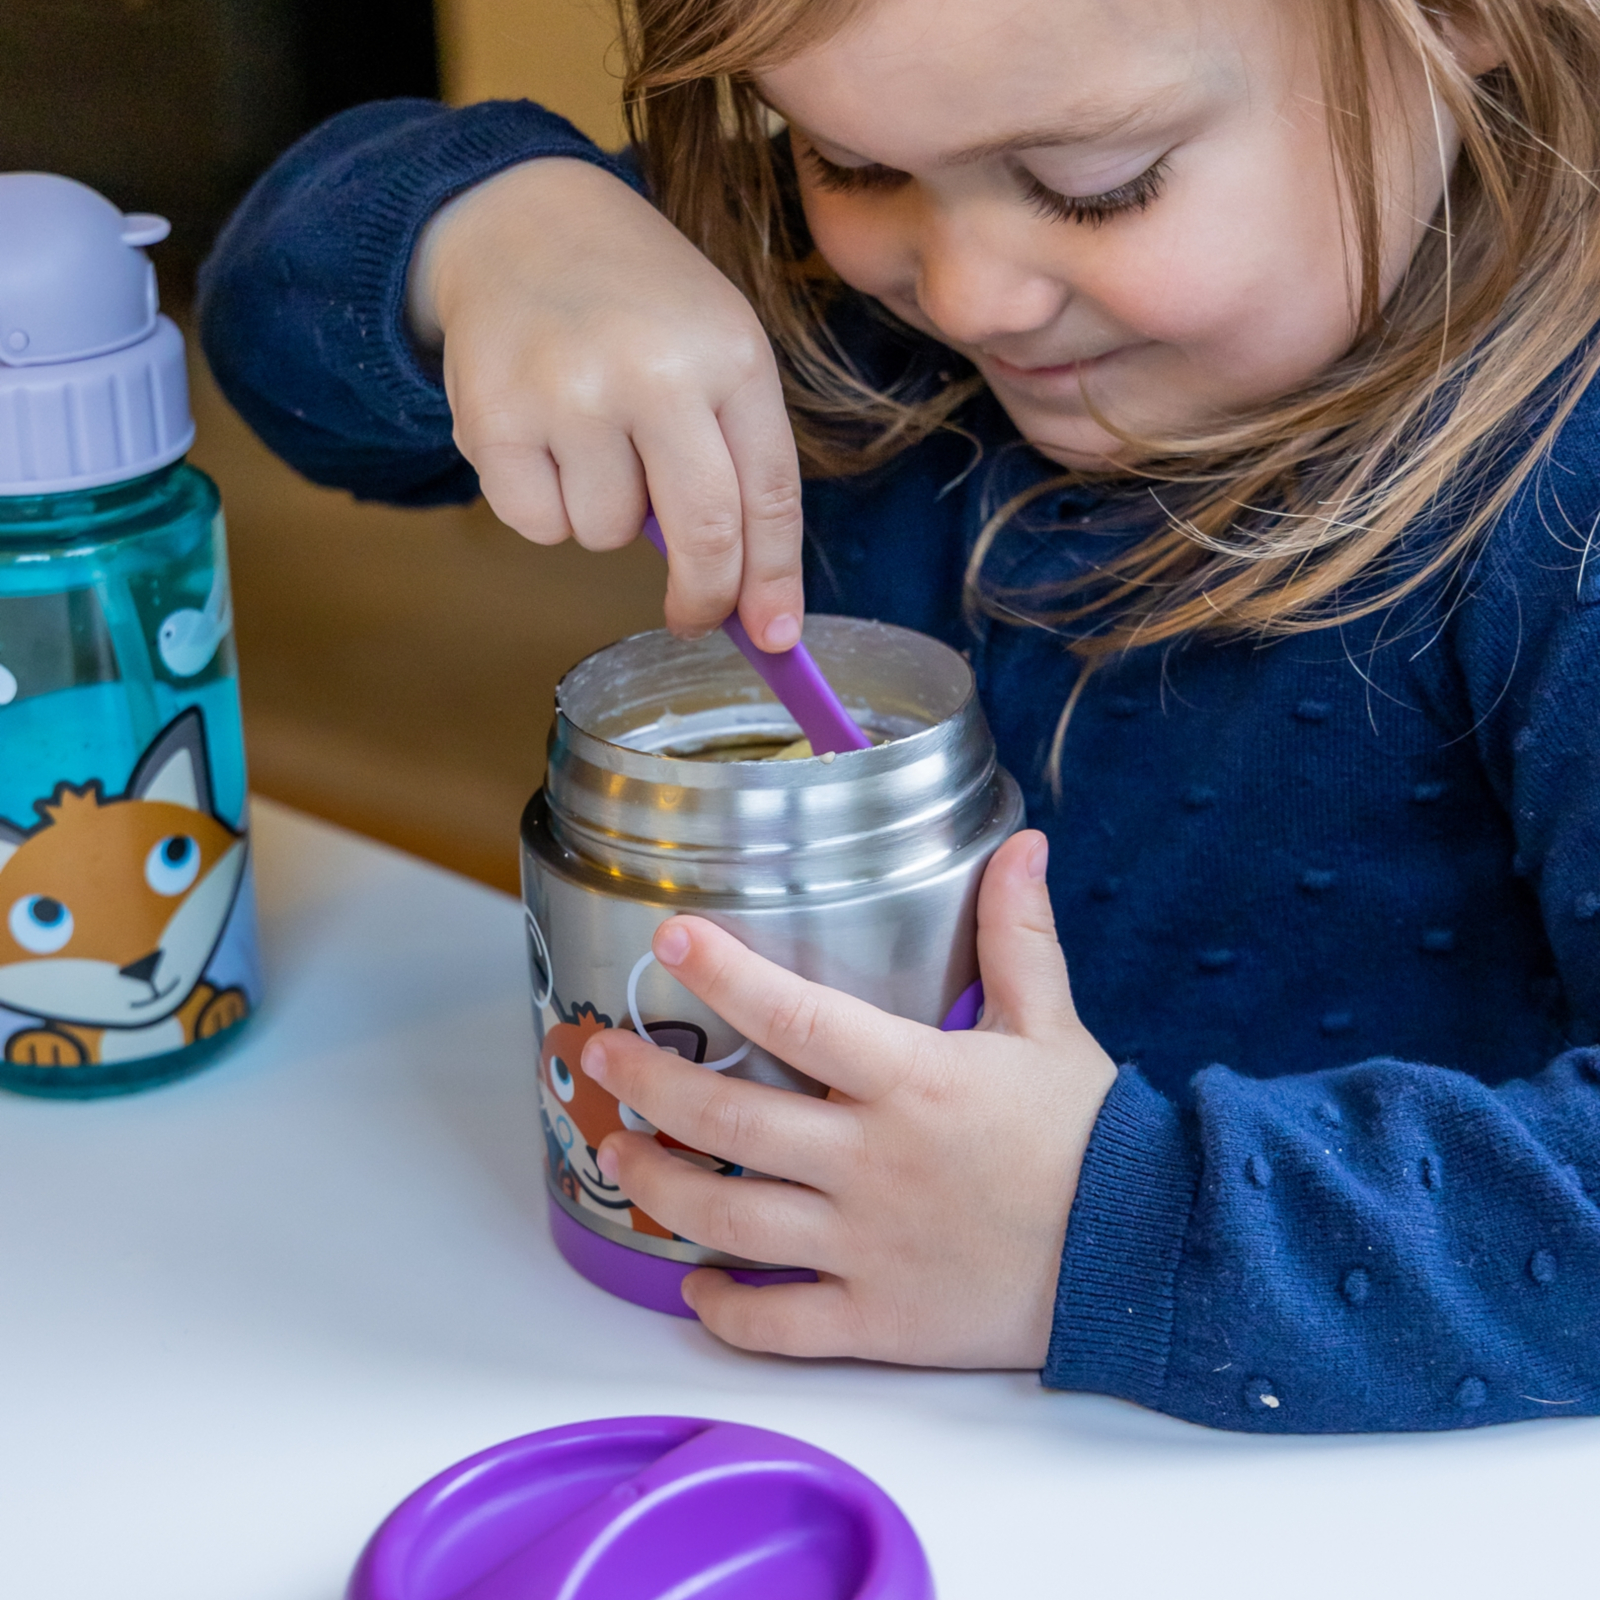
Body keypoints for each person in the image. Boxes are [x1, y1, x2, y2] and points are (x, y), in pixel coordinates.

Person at [199, 0, 1600, 1433]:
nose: (969, 290)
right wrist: (495, 235)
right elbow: (271, 332)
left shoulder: (1572, 503)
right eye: (848, 165)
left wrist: (1107, 1225)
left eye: (1094, 183)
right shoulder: (836, 303)